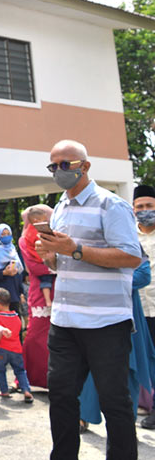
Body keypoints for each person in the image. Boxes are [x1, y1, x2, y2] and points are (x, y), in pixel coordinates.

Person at [35, 139, 141, 459]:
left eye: (65, 164)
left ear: (85, 166)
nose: (58, 171)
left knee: (114, 401)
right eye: (53, 166)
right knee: (61, 397)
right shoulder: (60, 207)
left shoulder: (111, 205)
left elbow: (131, 256)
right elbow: (62, 264)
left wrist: (76, 250)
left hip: (105, 321)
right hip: (65, 321)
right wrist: (51, 256)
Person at [79, 257, 155, 433]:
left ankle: (127, 424)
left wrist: (109, 279)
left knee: (128, 368)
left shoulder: (130, 245)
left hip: (128, 314)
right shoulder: (88, 245)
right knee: (89, 365)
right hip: (94, 312)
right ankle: (83, 415)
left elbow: (143, 275)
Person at [19, 204, 55, 389]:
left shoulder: (56, 235)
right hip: (40, 293)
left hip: (63, 290)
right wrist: (58, 266)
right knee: (36, 336)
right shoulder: (24, 240)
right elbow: (34, 267)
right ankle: (35, 378)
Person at [135, 184, 155, 429]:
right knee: (147, 360)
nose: (144, 210)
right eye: (140, 207)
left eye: (149, 206)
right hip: (139, 308)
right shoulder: (128, 236)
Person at [0, 288, 33, 403]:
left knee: (0, 371)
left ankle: (4, 391)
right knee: (20, 370)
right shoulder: (16, 316)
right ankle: (26, 390)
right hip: (16, 349)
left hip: (1, 349)